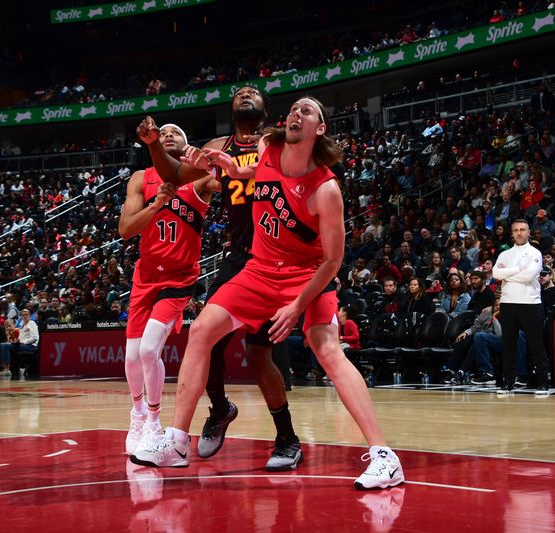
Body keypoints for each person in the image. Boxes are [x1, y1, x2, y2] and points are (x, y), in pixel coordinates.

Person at [132, 96, 404, 490]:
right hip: (258, 268)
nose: (296, 113)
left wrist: (296, 306)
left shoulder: (326, 189)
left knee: (325, 347)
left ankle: (384, 456)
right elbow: (253, 174)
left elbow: (332, 261)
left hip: (307, 274)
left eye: (308, 111)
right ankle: (176, 441)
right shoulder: (268, 148)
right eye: (294, 109)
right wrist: (228, 167)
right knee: (203, 329)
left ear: (320, 128)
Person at [136, 87, 303, 471]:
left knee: (260, 357)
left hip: (278, 258)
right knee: (205, 337)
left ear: (265, 107)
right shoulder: (216, 145)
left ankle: (288, 439)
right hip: (239, 257)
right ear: (231, 110)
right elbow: (174, 175)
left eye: (253, 92)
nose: (245, 94)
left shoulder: (278, 141)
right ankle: (219, 409)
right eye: (239, 93)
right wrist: (153, 146)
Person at [119, 124, 214, 455]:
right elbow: (126, 229)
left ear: (186, 145)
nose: (169, 134)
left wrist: (206, 161)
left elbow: (232, 181)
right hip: (145, 275)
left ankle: (155, 421)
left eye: (177, 132)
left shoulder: (199, 179)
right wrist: (156, 205)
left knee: (148, 351)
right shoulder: (139, 179)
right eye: (165, 131)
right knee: (132, 357)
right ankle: (138, 413)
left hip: (179, 276)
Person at [493, 219, 550, 394]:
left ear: (528, 232)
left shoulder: (535, 253)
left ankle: (543, 383)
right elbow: (496, 273)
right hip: (508, 303)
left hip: (530, 304)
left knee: (536, 344)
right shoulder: (504, 254)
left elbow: (529, 276)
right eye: (516, 230)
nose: (519, 233)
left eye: (522, 229)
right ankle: (508, 383)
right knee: (508, 345)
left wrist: (508, 274)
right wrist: (517, 269)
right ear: (512, 233)